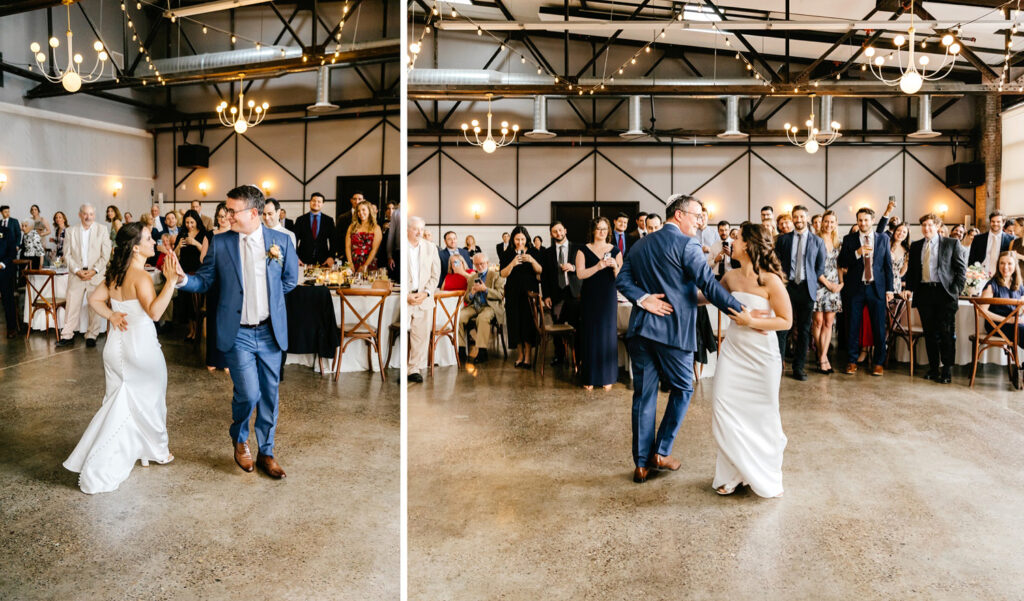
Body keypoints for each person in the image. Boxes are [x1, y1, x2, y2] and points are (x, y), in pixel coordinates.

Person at [615, 194, 745, 484]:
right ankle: (661, 451)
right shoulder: (686, 244)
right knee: (684, 389)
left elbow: (622, 281)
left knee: (644, 396)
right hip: (672, 333)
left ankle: (641, 464)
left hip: (640, 331)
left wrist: (643, 298)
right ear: (678, 215)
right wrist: (740, 311)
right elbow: (708, 285)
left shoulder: (640, 245)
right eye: (696, 215)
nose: (700, 222)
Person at [171, 185, 298, 479]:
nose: (227, 215)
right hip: (237, 332)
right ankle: (240, 439)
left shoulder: (281, 241)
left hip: (270, 332)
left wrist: (271, 301)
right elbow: (204, 281)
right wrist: (181, 279)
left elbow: (290, 280)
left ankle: (267, 451)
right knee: (249, 393)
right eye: (226, 210)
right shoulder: (221, 242)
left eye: (232, 210)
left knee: (269, 395)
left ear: (253, 213)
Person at [63, 223, 179, 494]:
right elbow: (155, 312)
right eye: (149, 239)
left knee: (120, 400)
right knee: (151, 398)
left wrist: (112, 316)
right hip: (140, 348)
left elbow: (94, 300)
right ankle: (156, 451)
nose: (154, 242)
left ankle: (141, 450)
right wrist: (171, 282)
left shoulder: (115, 273)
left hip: (115, 349)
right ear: (136, 247)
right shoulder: (141, 276)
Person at [712, 222, 793, 497]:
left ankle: (761, 473)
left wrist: (750, 319)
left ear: (747, 244)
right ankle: (732, 472)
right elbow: (706, 296)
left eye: (735, 238)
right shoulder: (731, 277)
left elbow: (786, 321)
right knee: (723, 408)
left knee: (762, 415)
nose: (731, 242)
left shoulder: (770, 280)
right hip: (733, 352)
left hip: (761, 357)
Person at [903, 213, 967, 384]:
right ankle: (933, 368)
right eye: (924, 225)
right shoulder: (916, 246)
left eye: (930, 225)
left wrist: (954, 291)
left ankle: (946, 369)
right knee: (929, 333)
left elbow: (961, 271)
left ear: (938, 226)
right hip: (924, 292)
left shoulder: (951, 243)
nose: (927, 228)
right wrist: (909, 288)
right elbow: (912, 272)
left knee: (946, 333)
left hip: (944, 293)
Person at [839, 207, 895, 376]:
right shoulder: (849, 239)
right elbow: (841, 261)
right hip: (855, 289)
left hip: (875, 288)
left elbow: (887, 266)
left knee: (878, 326)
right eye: (860, 220)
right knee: (853, 326)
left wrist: (890, 289)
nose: (863, 223)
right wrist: (857, 253)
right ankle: (851, 361)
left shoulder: (883, 238)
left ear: (872, 220)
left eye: (866, 220)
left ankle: (878, 363)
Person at [773, 204, 826, 380]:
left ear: (807, 217)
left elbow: (820, 267)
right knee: (782, 328)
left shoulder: (817, 241)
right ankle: (778, 365)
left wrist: (810, 279)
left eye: (801, 217)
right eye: (795, 217)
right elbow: (777, 262)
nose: (798, 220)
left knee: (804, 331)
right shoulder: (783, 240)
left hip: (806, 289)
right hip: (787, 288)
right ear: (792, 218)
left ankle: (799, 367)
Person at [575, 217, 622, 390]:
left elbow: (621, 279)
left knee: (607, 335)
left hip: (608, 297)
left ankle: (607, 376)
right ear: (593, 231)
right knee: (590, 335)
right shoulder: (583, 250)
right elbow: (580, 274)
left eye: (605, 229)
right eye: (599, 229)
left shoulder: (615, 251)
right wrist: (598, 266)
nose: (602, 232)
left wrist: (615, 267)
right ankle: (589, 377)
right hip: (590, 296)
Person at [57, 204, 112, 348]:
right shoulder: (70, 231)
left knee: (95, 306)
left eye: (91, 214)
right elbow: (66, 254)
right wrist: (76, 270)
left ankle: (91, 335)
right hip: (77, 275)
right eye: (86, 214)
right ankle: (67, 335)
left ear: (94, 215)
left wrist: (94, 270)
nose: (89, 217)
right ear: (80, 214)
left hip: (95, 275)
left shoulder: (102, 230)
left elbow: (105, 255)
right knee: (72, 305)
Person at [500, 226, 543, 369]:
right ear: (513, 239)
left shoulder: (533, 251)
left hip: (529, 292)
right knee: (515, 323)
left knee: (528, 323)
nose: (520, 242)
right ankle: (519, 355)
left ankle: (528, 357)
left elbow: (540, 270)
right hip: (513, 291)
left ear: (527, 239)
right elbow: (503, 274)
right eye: (517, 239)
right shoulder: (507, 253)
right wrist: (512, 263)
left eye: (522, 239)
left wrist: (531, 260)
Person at [541, 221, 582, 367]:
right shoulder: (547, 253)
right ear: (551, 234)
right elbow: (544, 277)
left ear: (565, 230)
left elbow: (586, 269)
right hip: (556, 295)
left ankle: (579, 357)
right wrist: (546, 296)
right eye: (554, 232)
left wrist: (574, 268)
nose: (558, 234)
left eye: (560, 230)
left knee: (577, 326)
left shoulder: (578, 249)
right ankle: (559, 356)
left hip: (575, 294)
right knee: (557, 326)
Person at [407, 216, 441, 383]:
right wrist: (407, 294)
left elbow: (436, 275)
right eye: (415, 229)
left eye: (421, 229)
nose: (419, 232)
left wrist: (427, 292)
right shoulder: (402, 246)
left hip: (423, 297)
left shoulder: (430, 248)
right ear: (407, 229)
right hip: (405, 297)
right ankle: (399, 367)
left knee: (420, 336)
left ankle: (414, 369)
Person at [811, 210, 844, 374]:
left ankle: (823, 356)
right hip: (818, 284)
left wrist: (841, 283)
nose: (828, 225)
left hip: (834, 285)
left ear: (836, 224)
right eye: (826, 221)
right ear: (821, 222)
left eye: (832, 222)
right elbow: (811, 266)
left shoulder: (838, 242)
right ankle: (821, 355)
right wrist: (826, 284)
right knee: (817, 321)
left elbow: (839, 265)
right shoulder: (814, 240)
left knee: (828, 323)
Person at [459, 252, 504, 364]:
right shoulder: (472, 278)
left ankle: (482, 351)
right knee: (459, 317)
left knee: (482, 318)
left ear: (487, 263)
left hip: (489, 306)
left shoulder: (495, 276)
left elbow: (500, 295)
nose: (479, 266)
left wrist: (486, 290)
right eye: (477, 264)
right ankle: (460, 350)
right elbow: (466, 299)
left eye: (482, 264)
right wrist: (471, 293)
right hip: (474, 306)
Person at [174, 210, 210, 342]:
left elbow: (207, 253)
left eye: (192, 222)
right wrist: (178, 246)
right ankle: (190, 330)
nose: (189, 225)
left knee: (196, 304)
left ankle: (198, 331)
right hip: (184, 271)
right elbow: (175, 254)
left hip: (198, 272)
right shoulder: (182, 234)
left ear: (197, 222)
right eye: (187, 222)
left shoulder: (203, 234)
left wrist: (195, 243)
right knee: (186, 303)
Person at [294, 192, 335, 266]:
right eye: (314, 201)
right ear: (310, 202)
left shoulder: (329, 220)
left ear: (322, 204)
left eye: (319, 201)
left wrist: (331, 257)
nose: (316, 203)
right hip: (303, 260)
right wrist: (295, 257)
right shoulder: (300, 220)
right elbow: (294, 240)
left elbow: (333, 241)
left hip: (323, 260)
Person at [0, 206, 20, 338]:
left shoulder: (5, 231)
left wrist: (3, 263)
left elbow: (12, 251)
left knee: (8, 300)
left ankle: (11, 328)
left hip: (3, 269)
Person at [346, 200, 383, 273]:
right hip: (353, 263)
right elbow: (347, 247)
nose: (361, 213)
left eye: (363, 210)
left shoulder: (376, 228)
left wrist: (365, 265)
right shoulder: (352, 227)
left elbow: (374, 249)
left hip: (369, 264)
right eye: (358, 211)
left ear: (369, 211)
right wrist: (350, 264)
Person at [890, 222, 910, 294]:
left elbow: (902, 272)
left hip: (896, 284)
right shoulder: (886, 244)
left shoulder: (906, 251)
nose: (901, 233)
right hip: (882, 281)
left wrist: (895, 275)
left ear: (907, 235)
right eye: (898, 230)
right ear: (894, 231)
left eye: (904, 232)